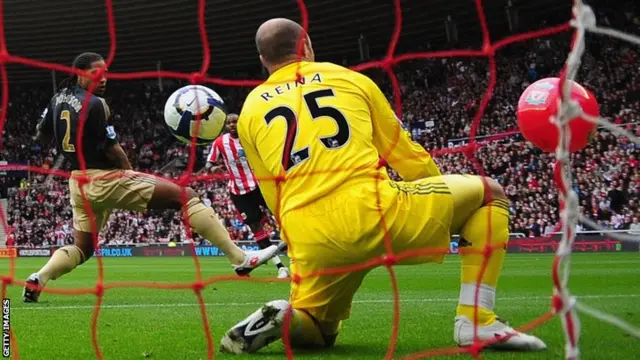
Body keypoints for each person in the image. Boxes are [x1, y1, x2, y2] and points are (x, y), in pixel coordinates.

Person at [219, 19, 546, 353]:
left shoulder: (249, 111)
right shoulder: (350, 80)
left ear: (263, 60)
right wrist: (440, 204)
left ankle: (286, 318)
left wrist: (297, 240)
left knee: (319, 331)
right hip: (376, 210)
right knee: (489, 194)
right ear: (306, 46)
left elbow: (272, 191)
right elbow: (405, 155)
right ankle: (476, 319)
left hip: (309, 233)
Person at [23, 52, 279, 303]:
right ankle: (240, 259)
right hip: (105, 178)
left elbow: (41, 133)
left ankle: (39, 277)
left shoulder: (58, 98)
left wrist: (69, 150)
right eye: (96, 74)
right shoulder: (96, 104)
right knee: (186, 196)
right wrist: (128, 172)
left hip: (78, 182)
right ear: (80, 74)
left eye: (106, 73)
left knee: (83, 248)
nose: (103, 79)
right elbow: (112, 147)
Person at [204, 114, 290, 279]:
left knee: (281, 214)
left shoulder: (250, 137)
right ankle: (280, 267)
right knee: (256, 228)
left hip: (260, 185)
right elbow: (210, 163)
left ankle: (295, 250)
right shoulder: (220, 142)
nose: (231, 125)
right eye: (228, 123)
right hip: (239, 192)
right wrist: (213, 169)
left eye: (234, 122)